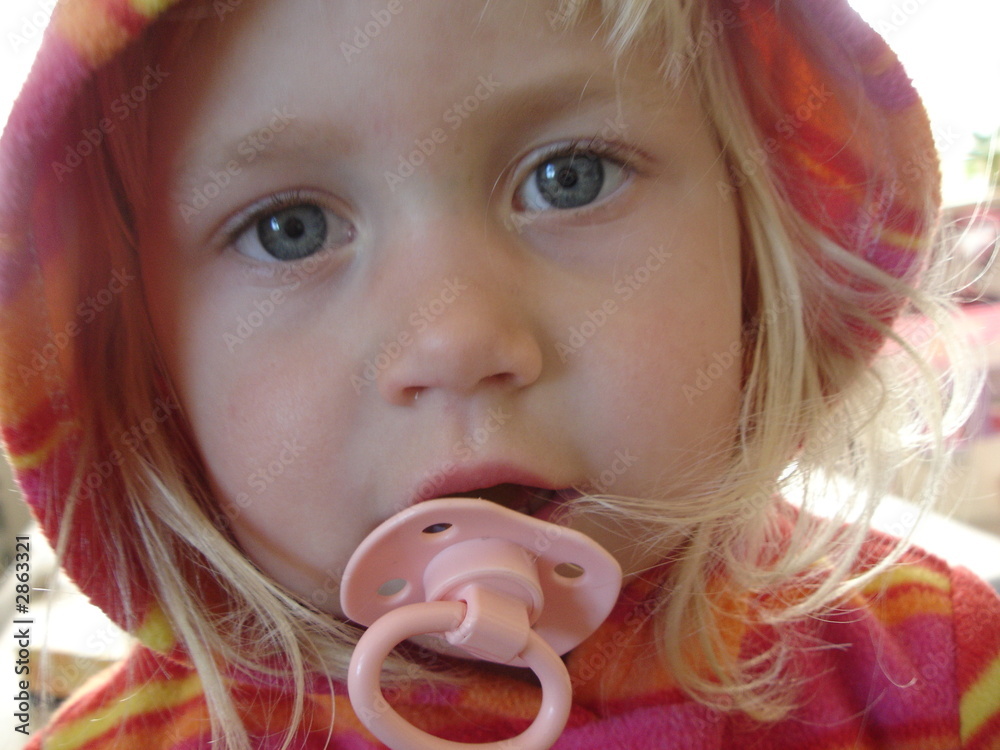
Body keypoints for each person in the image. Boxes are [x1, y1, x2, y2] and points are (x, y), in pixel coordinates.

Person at [1, 0, 998, 747]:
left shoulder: (938, 672)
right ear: (145, 369)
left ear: (758, 239)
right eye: (288, 228)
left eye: (570, 177)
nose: (456, 341)